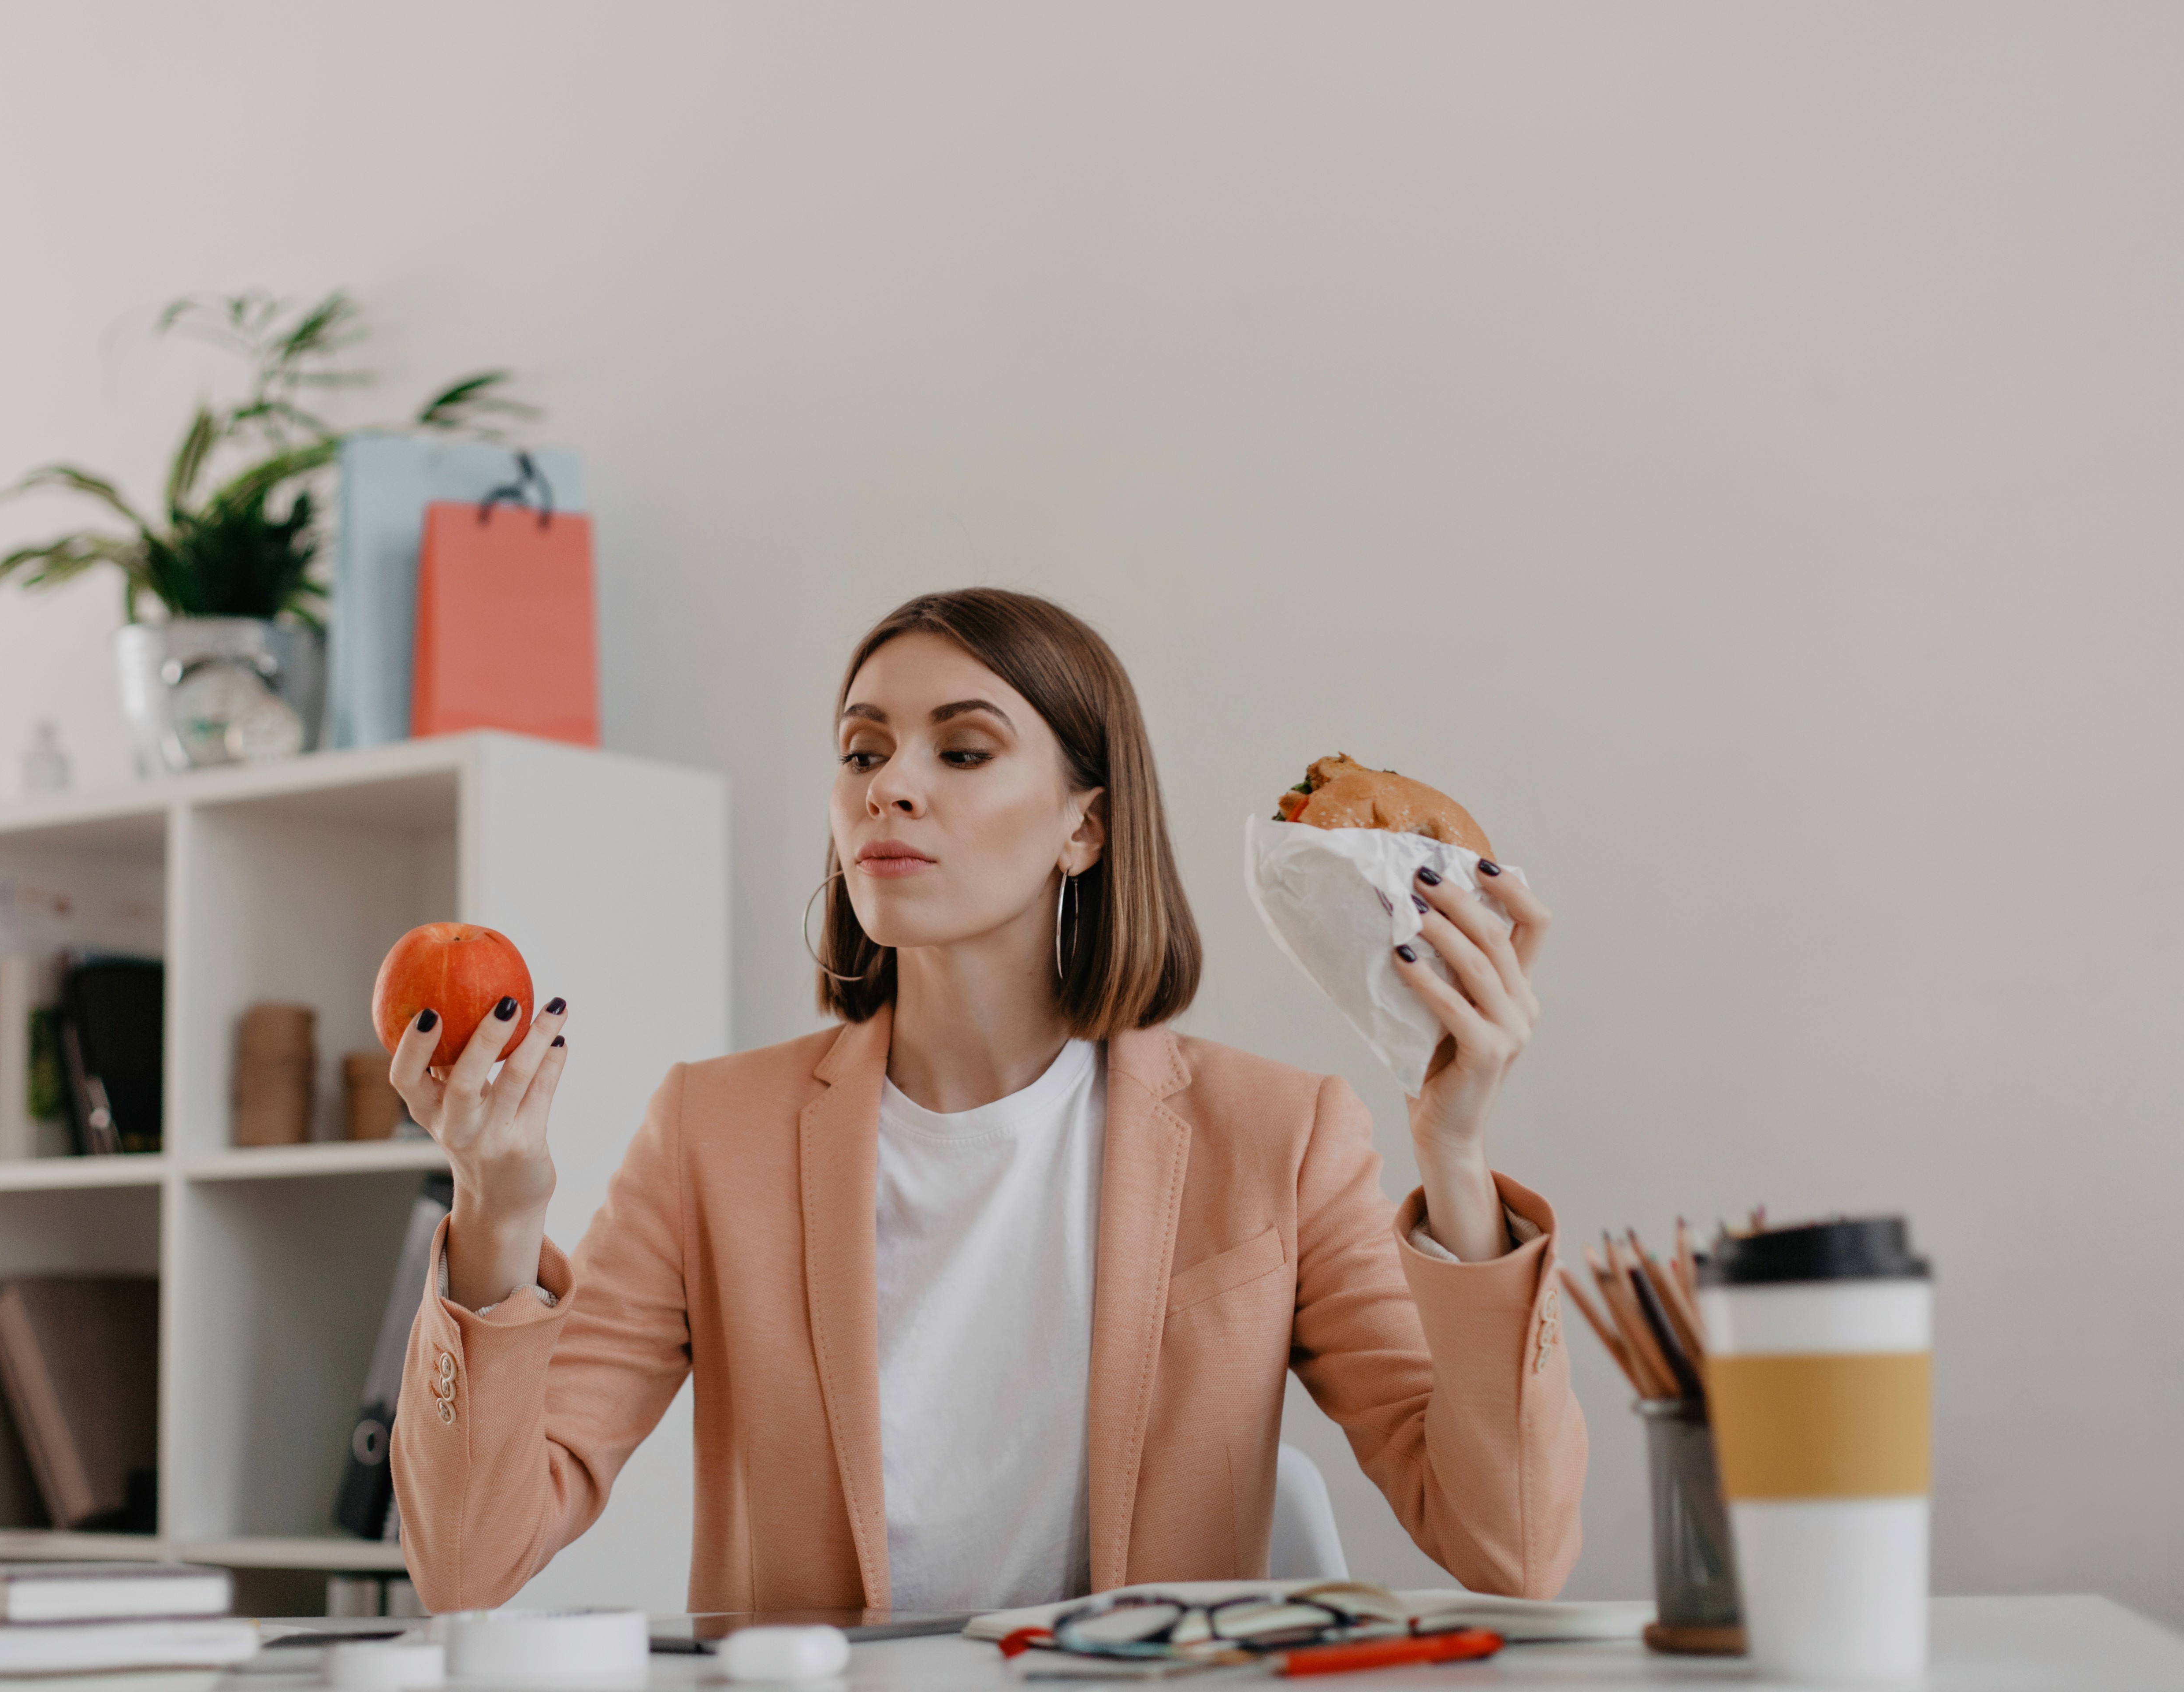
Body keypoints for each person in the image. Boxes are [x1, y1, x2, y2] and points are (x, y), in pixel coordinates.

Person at [387, 588, 1586, 1616]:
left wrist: (1459, 1151)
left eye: (960, 752)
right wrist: (497, 1209)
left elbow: (1511, 1550)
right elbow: (469, 1565)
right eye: (863, 752)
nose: (890, 789)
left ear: (1086, 827)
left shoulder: (1279, 1136)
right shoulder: (712, 1134)